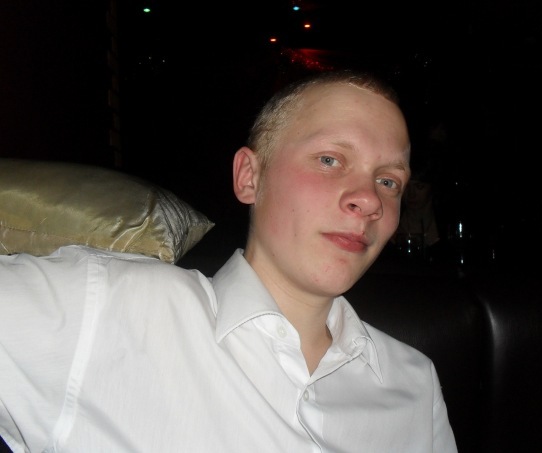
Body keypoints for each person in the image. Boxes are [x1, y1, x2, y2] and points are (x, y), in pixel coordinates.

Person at [0, 70, 458, 452]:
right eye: (329, 159)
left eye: (388, 181)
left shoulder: (414, 383)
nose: (369, 200)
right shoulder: (107, 307)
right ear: (249, 177)